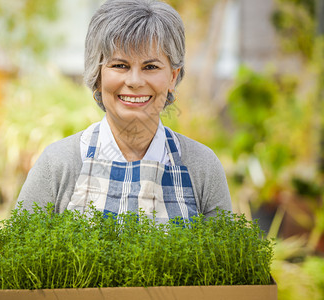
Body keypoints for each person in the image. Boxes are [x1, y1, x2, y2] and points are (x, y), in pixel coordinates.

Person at [16, 0, 232, 222]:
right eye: (120, 65)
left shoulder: (203, 167)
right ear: (97, 76)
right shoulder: (58, 163)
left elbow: (227, 257)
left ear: (172, 77)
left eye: (151, 67)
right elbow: (16, 254)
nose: (135, 81)